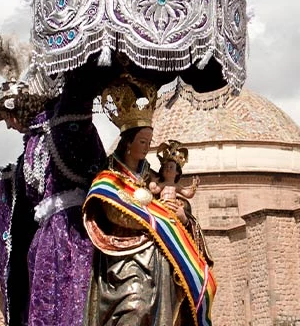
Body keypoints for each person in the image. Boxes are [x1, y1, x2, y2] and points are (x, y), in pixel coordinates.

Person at [82, 79, 214, 325]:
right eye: (142, 142)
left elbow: (175, 202)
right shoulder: (109, 178)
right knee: (136, 307)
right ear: (128, 143)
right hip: (124, 259)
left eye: (149, 143)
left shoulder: (153, 177)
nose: (146, 148)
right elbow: (114, 213)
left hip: (159, 260)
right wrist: (154, 218)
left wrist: (183, 216)